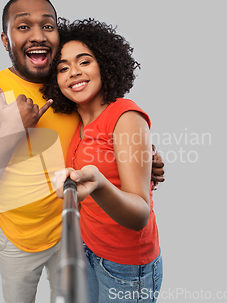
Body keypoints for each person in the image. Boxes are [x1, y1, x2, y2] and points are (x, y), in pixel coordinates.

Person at [0, 0, 164, 303]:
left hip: (78, 236)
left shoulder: (70, 93)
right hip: (17, 239)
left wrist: (144, 158)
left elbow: (110, 132)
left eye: (48, 26)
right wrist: (10, 132)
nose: (38, 35)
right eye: (23, 27)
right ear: (5, 40)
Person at [42, 18, 162, 302]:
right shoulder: (78, 121)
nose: (73, 72)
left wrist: (99, 184)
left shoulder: (125, 117)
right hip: (90, 249)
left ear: (105, 65)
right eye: (63, 68)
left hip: (127, 266)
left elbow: (139, 215)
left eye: (84, 62)